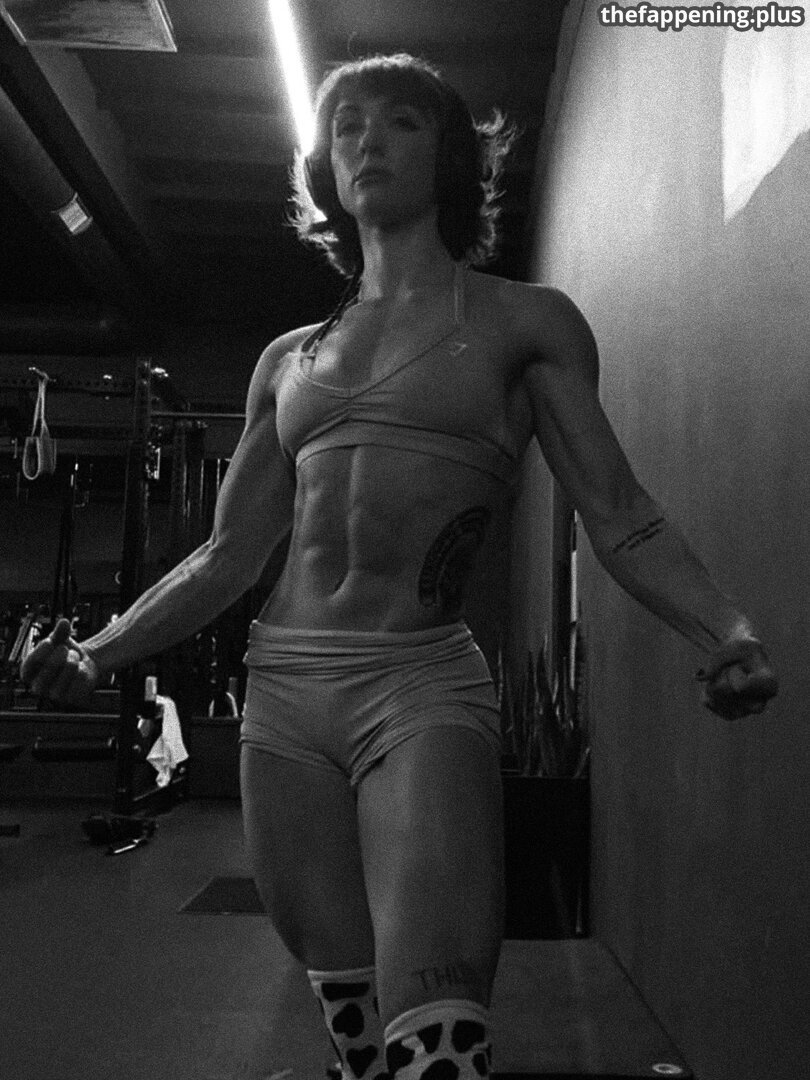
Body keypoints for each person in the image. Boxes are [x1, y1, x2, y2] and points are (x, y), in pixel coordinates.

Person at [22, 53, 777, 1080]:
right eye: (347, 127)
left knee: (437, 1040)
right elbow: (228, 555)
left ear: (450, 157)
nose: (368, 140)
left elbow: (622, 514)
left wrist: (727, 630)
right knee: (357, 1037)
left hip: (419, 686)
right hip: (284, 694)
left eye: (401, 122)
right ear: (326, 170)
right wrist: (98, 654)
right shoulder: (288, 360)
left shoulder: (525, 323)